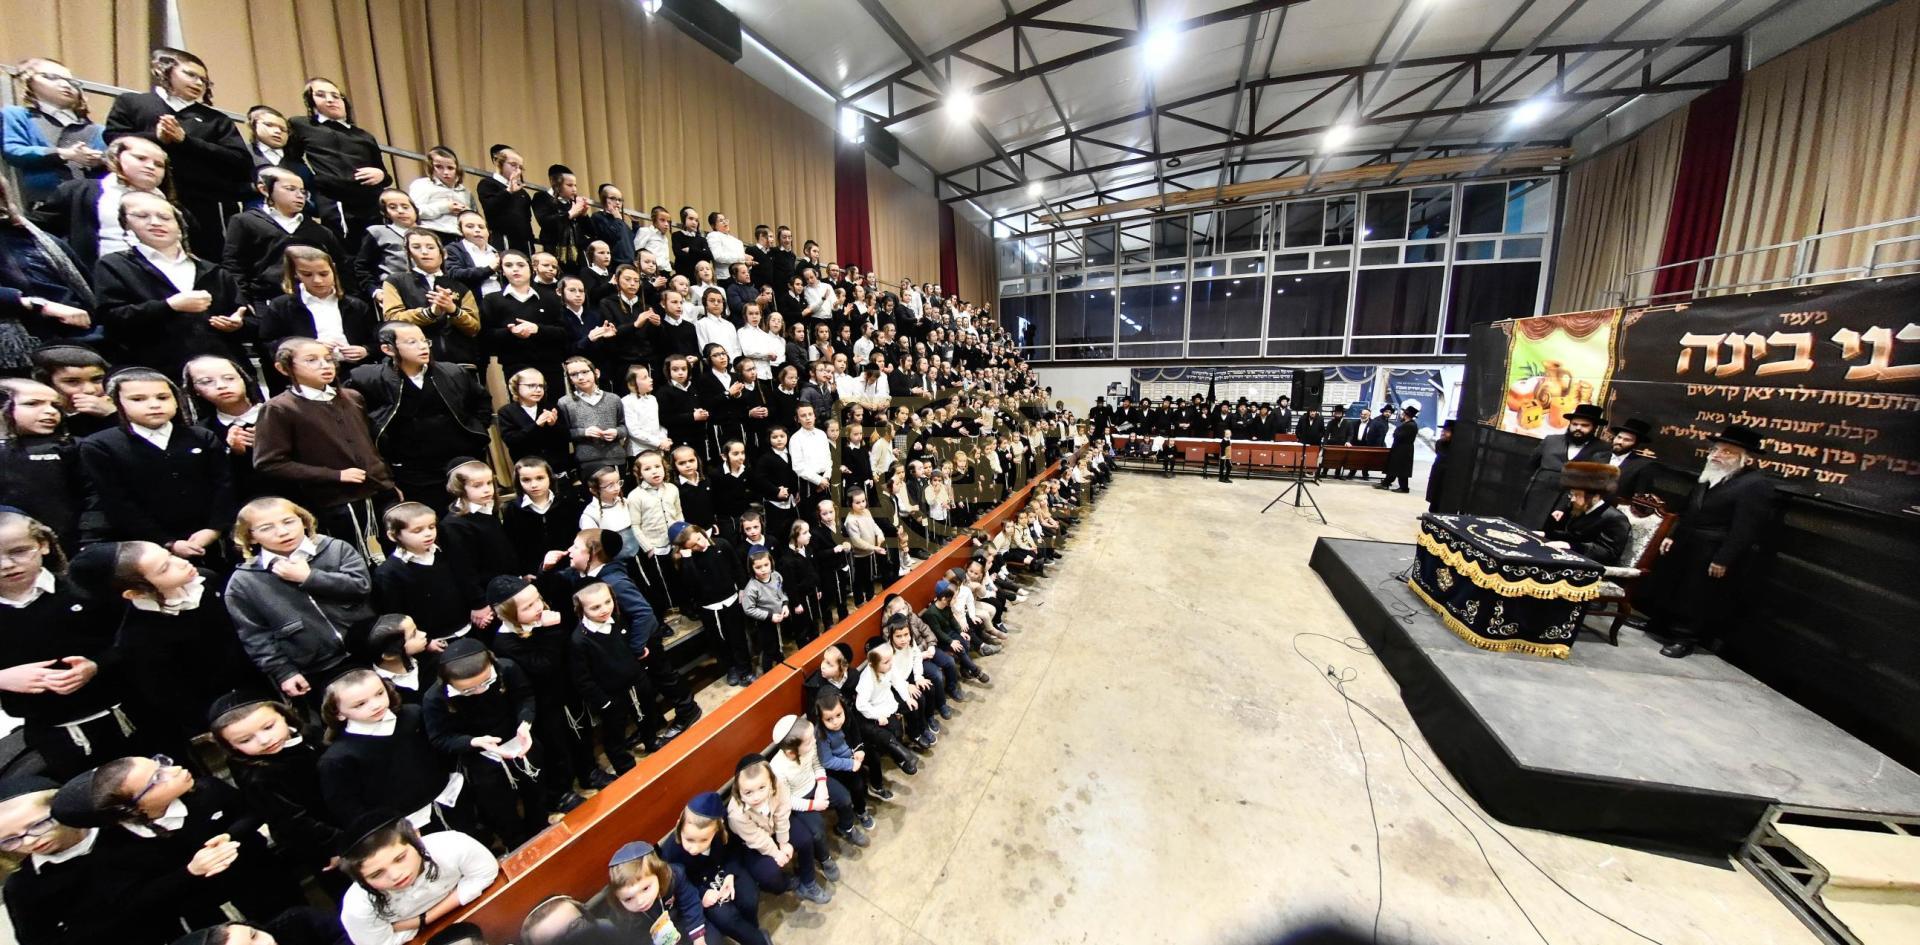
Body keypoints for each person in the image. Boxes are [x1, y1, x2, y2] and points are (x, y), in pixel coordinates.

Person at [1643, 424, 1777, 659]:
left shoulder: (1755, 484)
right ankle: (1660, 626)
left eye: (1727, 452)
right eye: (1715, 449)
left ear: (1745, 459)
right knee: (1673, 585)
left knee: (1698, 594)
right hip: (1688, 540)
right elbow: (1688, 509)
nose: (1717, 455)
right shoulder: (1710, 474)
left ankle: (1685, 638)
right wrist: (1673, 535)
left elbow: (1745, 527)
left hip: (1712, 548)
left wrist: (1724, 558)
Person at [104, 48, 251, 257]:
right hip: (139, 197)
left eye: (204, 80)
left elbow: (240, 162)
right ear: (165, 70)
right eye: (190, 75)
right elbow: (113, 139)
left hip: (201, 207)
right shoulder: (133, 102)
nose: (198, 83)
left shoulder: (216, 120)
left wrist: (186, 141)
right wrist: (156, 138)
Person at [93, 190, 253, 380]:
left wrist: (237, 324)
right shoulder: (114, 265)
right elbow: (111, 318)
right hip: (156, 372)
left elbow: (247, 318)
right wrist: (169, 306)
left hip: (221, 368)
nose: (155, 222)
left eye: (165, 217)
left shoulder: (214, 271)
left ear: (180, 227)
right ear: (126, 223)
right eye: (142, 216)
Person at [225, 496, 372, 700]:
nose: (282, 532)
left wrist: (309, 577)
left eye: (288, 522)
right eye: (266, 528)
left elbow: (361, 586)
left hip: (366, 647)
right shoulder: (243, 581)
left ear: (303, 521)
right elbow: (255, 635)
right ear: (251, 537)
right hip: (314, 668)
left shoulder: (335, 548)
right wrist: (283, 671)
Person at [346, 321, 492, 502]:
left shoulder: (453, 372)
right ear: (388, 349)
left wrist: (476, 428)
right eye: (412, 342)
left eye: (424, 341)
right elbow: (355, 419)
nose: (423, 347)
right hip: (410, 467)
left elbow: (481, 402)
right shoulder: (368, 379)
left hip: (459, 458)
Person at [338, 816, 499, 945]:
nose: (395, 875)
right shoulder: (358, 907)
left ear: (416, 836)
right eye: (376, 874)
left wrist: (420, 921)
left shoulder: (451, 845)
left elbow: (486, 873)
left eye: (400, 858)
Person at [29, 132, 169, 269]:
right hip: (100, 275)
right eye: (141, 158)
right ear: (115, 157)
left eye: (159, 165)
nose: (151, 167)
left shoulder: (170, 205)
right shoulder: (78, 191)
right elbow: (37, 231)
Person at [221, 165, 351, 306]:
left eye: (303, 191)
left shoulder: (320, 231)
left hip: (314, 302)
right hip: (265, 301)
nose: (299, 195)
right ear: (264, 189)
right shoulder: (245, 221)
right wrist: (243, 303)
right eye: (290, 189)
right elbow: (234, 265)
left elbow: (341, 265)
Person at [257, 246, 378, 389]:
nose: (317, 280)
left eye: (324, 274)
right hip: (305, 378)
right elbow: (268, 343)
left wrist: (366, 350)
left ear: (333, 270)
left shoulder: (356, 305)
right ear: (296, 274)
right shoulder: (282, 305)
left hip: (352, 373)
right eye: (307, 274)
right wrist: (310, 347)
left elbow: (376, 341)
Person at [288, 78, 390, 245]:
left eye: (335, 96)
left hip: (369, 201)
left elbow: (385, 175)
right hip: (334, 200)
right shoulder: (301, 125)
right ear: (310, 100)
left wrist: (380, 174)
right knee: (342, 248)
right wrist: (316, 181)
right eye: (321, 95)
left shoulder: (364, 135)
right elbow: (293, 159)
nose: (330, 100)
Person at [657, 793, 769, 945]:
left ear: (717, 830)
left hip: (725, 869)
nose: (694, 848)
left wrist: (730, 873)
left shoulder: (722, 832)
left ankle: (752, 930)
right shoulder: (671, 851)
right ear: (679, 826)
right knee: (726, 918)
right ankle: (756, 940)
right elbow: (680, 885)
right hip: (699, 887)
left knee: (749, 897)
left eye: (704, 840)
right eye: (689, 839)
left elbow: (733, 850)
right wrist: (702, 894)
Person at [724, 754, 832, 904]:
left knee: (805, 839)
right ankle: (787, 883)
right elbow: (755, 838)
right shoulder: (736, 813)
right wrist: (776, 853)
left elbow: (782, 811)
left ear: (771, 781)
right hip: (753, 843)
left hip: (776, 825)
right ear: (738, 790)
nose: (756, 797)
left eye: (762, 788)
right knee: (769, 875)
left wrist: (783, 841)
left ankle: (808, 882)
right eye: (748, 792)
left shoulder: (778, 785)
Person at [3, 57, 105, 207]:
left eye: (72, 82)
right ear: (29, 81)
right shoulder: (17, 115)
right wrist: (64, 154)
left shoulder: (98, 130)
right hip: (39, 205)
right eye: (52, 77)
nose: (65, 85)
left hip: (89, 207)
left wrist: (101, 161)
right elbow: (13, 150)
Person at [377, 227, 483, 366]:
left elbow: (474, 327)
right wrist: (430, 313)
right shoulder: (396, 281)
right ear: (408, 253)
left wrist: (453, 310)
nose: (424, 252)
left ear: (443, 253)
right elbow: (392, 320)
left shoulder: (460, 286)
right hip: (413, 362)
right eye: (416, 247)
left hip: (459, 362)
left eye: (430, 247)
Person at [1518, 403, 1612, 529]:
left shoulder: (1602, 448)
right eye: (1574, 424)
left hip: (1570, 502)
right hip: (1538, 496)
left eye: (1584, 425)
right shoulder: (1551, 440)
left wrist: (1565, 505)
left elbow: (1593, 480)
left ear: (1594, 427)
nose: (1578, 428)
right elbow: (1531, 465)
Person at [601, 840, 709, 944]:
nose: (640, 901)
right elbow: (635, 939)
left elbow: (690, 902)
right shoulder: (621, 916)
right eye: (628, 899)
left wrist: (698, 937)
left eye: (645, 888)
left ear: (659, 874)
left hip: (686, 923)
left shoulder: (674, 877)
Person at [1542, 462, 1632, 566]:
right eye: (1571, 494)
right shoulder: (1578, 508)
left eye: (1577, 495)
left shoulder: (1616, 518)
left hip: (1591, 566)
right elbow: (1573, 535)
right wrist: (1546, 535)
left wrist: (1572, 546)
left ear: (1595, 496)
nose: (1572, 499)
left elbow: (1608, 553)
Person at [408, 145, 475, 242]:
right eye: (439, 167)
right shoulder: (422, 184)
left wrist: (466, 212)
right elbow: (414, 212)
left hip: (461, 237)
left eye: (450, 168)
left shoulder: (465, 191)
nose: (446, 172)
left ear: (457, 169)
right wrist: (446, 207)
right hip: (432, 233)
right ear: (431, 167)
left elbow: (475, 217)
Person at [475, 145, 535, 253]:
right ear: (498, 163)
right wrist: (508, 191)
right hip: (503, 239)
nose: (518, 170)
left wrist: (531, 244)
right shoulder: (487, 184)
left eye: (520, 168)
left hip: (524, 243)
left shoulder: (522, 192)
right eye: (513, 165)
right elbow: (490, 207)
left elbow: (527, 220)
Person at [1608, 417, 1658, 501]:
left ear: (1636, 444)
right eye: (1619, 437)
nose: (1619, 442)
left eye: (1627, 440)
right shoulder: (1598, 455)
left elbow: (1639, 497)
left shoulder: (1642, 465)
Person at [1378, 404, 1420, 493]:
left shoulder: (1410, 425)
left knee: (1401, 468)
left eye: (1403, 413)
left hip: (1403, 450)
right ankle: (1386, 483)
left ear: (1406, 415)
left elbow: (1398, 436)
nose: (1402, 415)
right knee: (1395, 467)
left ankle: (1403, 487)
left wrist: (1395, 433)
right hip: (1400, 448)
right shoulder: (1408, 424)